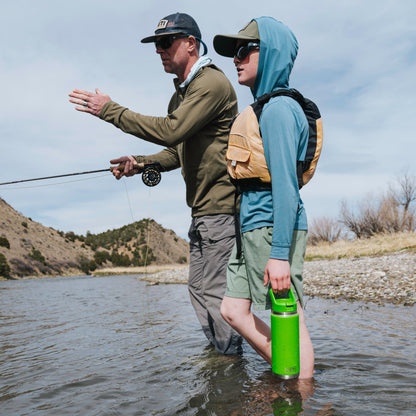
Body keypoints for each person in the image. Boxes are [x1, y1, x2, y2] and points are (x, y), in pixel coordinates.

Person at [68, 13, 242, 355]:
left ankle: (230, 372)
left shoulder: (211, 84)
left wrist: (110, 111)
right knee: (197, 290)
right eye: (156, 45)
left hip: (221, 210)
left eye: (166, 42)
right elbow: (176, 149)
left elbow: (171, 130)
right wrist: (140, 164)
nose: (159, 50)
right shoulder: (181, 97)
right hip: (201, 212)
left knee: (216, 296)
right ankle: (223, 358)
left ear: (191, 44)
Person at [213, 17, 315, 377]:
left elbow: (286, 186)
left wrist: (278, 255)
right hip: (253, 227)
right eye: (234, 53)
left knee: (289, 317)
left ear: (269, 53)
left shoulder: (277, 112)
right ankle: (290, 372)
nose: (236, 59)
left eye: (244, 50)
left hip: (273, 228)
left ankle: (300, 389)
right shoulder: (265, 109)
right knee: (232, 310)